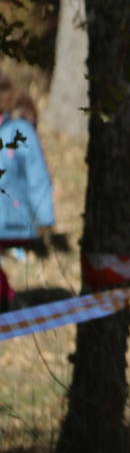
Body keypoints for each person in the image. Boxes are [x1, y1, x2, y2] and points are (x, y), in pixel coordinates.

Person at [0, 73, 55, 312]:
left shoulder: (18, 130)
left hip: (10, 214)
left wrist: (44, 219)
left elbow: (37, 177)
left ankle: (8, 300)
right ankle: (8, 298)